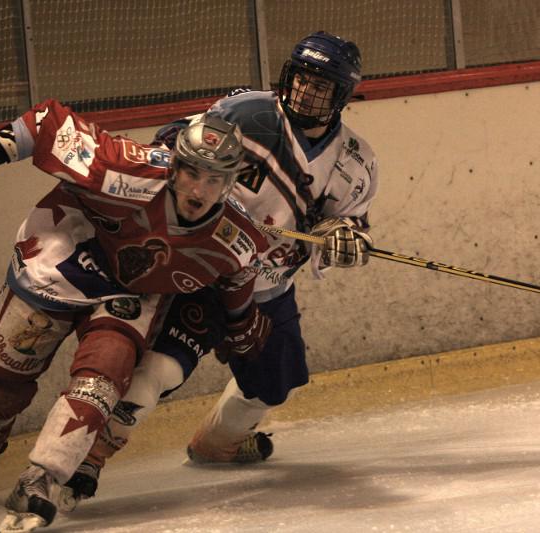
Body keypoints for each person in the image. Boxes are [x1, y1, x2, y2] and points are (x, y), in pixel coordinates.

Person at [0, 101, 271, 531]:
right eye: (193, 173)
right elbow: (45, 124)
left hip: (133, 290)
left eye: (214, 179)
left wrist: (241, 322)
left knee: (106, 374)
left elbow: (237, 281)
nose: (199, 191)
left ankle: (43, 477)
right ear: (174, 168)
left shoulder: (236, 238)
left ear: (230, 183)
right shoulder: (124, 167)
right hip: (64, 257)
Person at [62, 30, 378, 507]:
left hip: (268, 288)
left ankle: (217, 443)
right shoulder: (246, 112)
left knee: (274, 384)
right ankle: (87, 459)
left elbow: (352, 221)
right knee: (160, 368)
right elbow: (173, 146)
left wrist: (345, 236)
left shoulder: (357, 161)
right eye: (301, 78)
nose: (304, 91)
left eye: (320, 85)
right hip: (205, 268)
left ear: (342, 96)